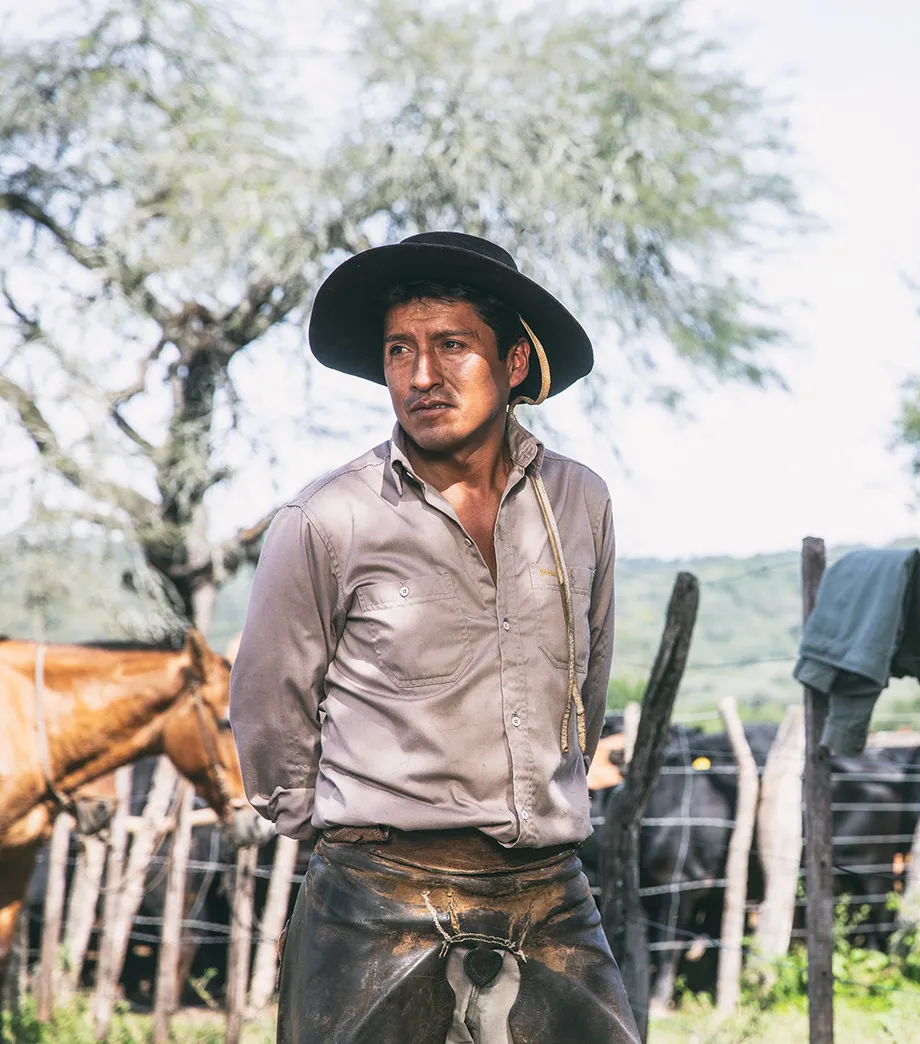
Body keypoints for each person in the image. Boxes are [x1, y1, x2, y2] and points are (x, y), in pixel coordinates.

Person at [229, 232, 638, 1043]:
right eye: (399, 350)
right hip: (376, 893)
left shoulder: (578, 502)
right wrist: (348, 836)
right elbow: (270, 712)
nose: (421, 376)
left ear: (514, 363)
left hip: (547, 888)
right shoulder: (327, 518)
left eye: (452, 345)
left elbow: (582, 691)